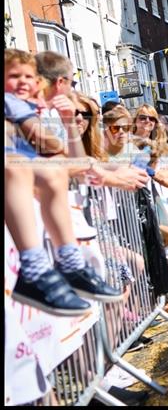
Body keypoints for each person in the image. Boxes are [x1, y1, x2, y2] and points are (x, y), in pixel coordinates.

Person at [5, 49, 122, 315]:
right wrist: (102, 170)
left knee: (51, 173)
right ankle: (36, 268)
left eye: (29, 76)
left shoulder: (33, 108)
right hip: (27, 205)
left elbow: (71, 162)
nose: (25, 83)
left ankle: (68, 264)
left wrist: (69, 128)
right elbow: (57, 152)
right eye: (71, 82)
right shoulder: (20, 105)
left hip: (52, 213)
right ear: (61, 83)